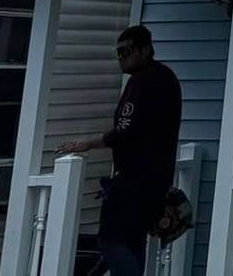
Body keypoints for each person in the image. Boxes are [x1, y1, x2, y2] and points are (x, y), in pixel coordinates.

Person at [58, 24, 183, 276]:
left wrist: (86, 144)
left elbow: (125, 130)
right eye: (117, 53)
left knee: (111, 241)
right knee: (133, 241)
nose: (120, 58)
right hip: (158, 180)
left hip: (134, 180)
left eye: (126, 51)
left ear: (145, 50)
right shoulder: (167, 77)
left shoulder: (142, 81)